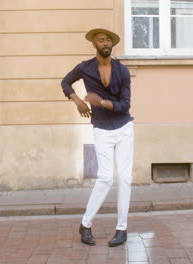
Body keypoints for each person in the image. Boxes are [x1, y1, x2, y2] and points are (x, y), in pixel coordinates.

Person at [61, 28, 134, 247]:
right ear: (94, 44)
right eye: (101, 40)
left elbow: (125, 105)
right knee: (105, 178)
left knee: (125, 178)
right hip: (101, 128)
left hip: (124, 128)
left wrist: (100, 102)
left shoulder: (122, 71)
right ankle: (85, 224)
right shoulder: (85, 67)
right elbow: (65, 83)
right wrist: (78, 101)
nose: (105, 43)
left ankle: (122, 229)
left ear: (112, 45)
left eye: (108, 40)